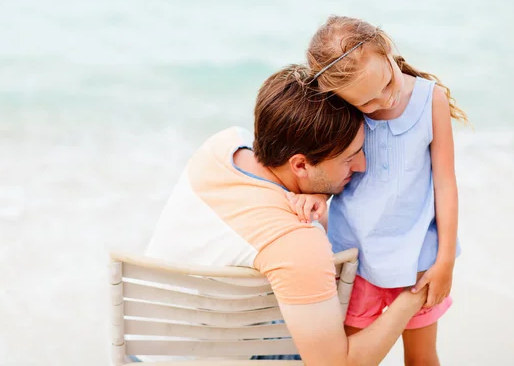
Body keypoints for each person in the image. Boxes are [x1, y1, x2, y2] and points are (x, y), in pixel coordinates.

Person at [145, 64, 429, 365]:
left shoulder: (222, 145)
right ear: (300, 165)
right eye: (349, 158)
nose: (361, 166)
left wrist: (317, 189)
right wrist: (413, 297)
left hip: (148, 348)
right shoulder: (296, 241)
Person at [289, 15, 468, 366]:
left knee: (422, 356)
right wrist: (315, 193)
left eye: (387, 84)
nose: (384, 101)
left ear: (387, 49)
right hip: (356, 258)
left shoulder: (432, 101)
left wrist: (444, 259)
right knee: (356, 354)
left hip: (419, 258)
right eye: (367, 103)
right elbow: (331, 170)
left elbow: (445, 183)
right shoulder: (341, 109)